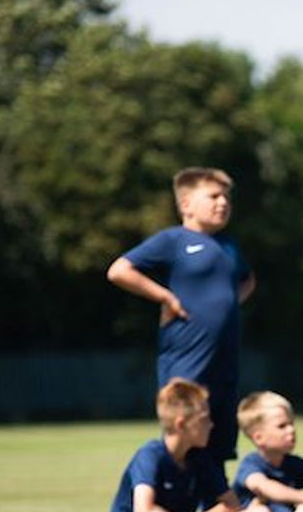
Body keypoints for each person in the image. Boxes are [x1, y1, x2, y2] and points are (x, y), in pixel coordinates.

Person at [106, 167, 255, 492]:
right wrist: (165, 297)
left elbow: (247, 280)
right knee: (186, 433)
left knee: (217, 437)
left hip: (224, 363)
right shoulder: (174, 240)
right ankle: (172, 505)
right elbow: (119, 270)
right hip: (188, 359)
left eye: (226, 197)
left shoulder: (228, 246)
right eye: (213, 196)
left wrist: (228, 303)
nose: (223, 203)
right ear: (186, 204)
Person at [101, 378, 270, 512]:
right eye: (204, 419)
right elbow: (144, 510)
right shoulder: (150, 454)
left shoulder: (200, 457)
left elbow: (232, 505)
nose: (211, 425)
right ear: (181, 424)